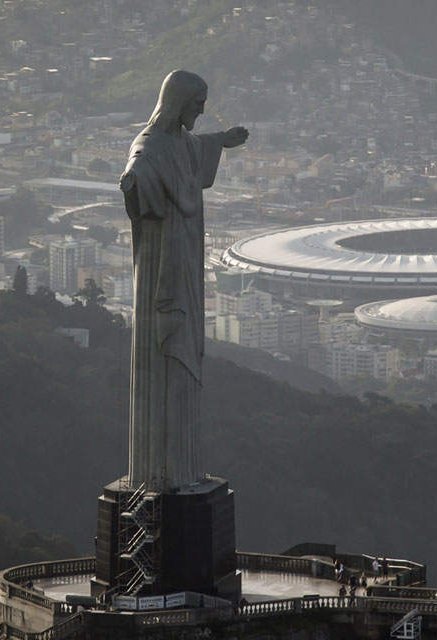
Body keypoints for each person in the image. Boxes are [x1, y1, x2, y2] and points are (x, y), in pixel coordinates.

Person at [121, 70, 248, 491]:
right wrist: (133, 181)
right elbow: (139, 165)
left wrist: (221, 140)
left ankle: (183, 471)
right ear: (178, 102)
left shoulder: (181, 143)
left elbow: (196, 147)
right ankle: (160, 475)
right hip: (162, 264)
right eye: (197, 104)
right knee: (163, 356)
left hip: (186, 261)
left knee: (186, 355)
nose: (202, 111)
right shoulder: (151, 146)